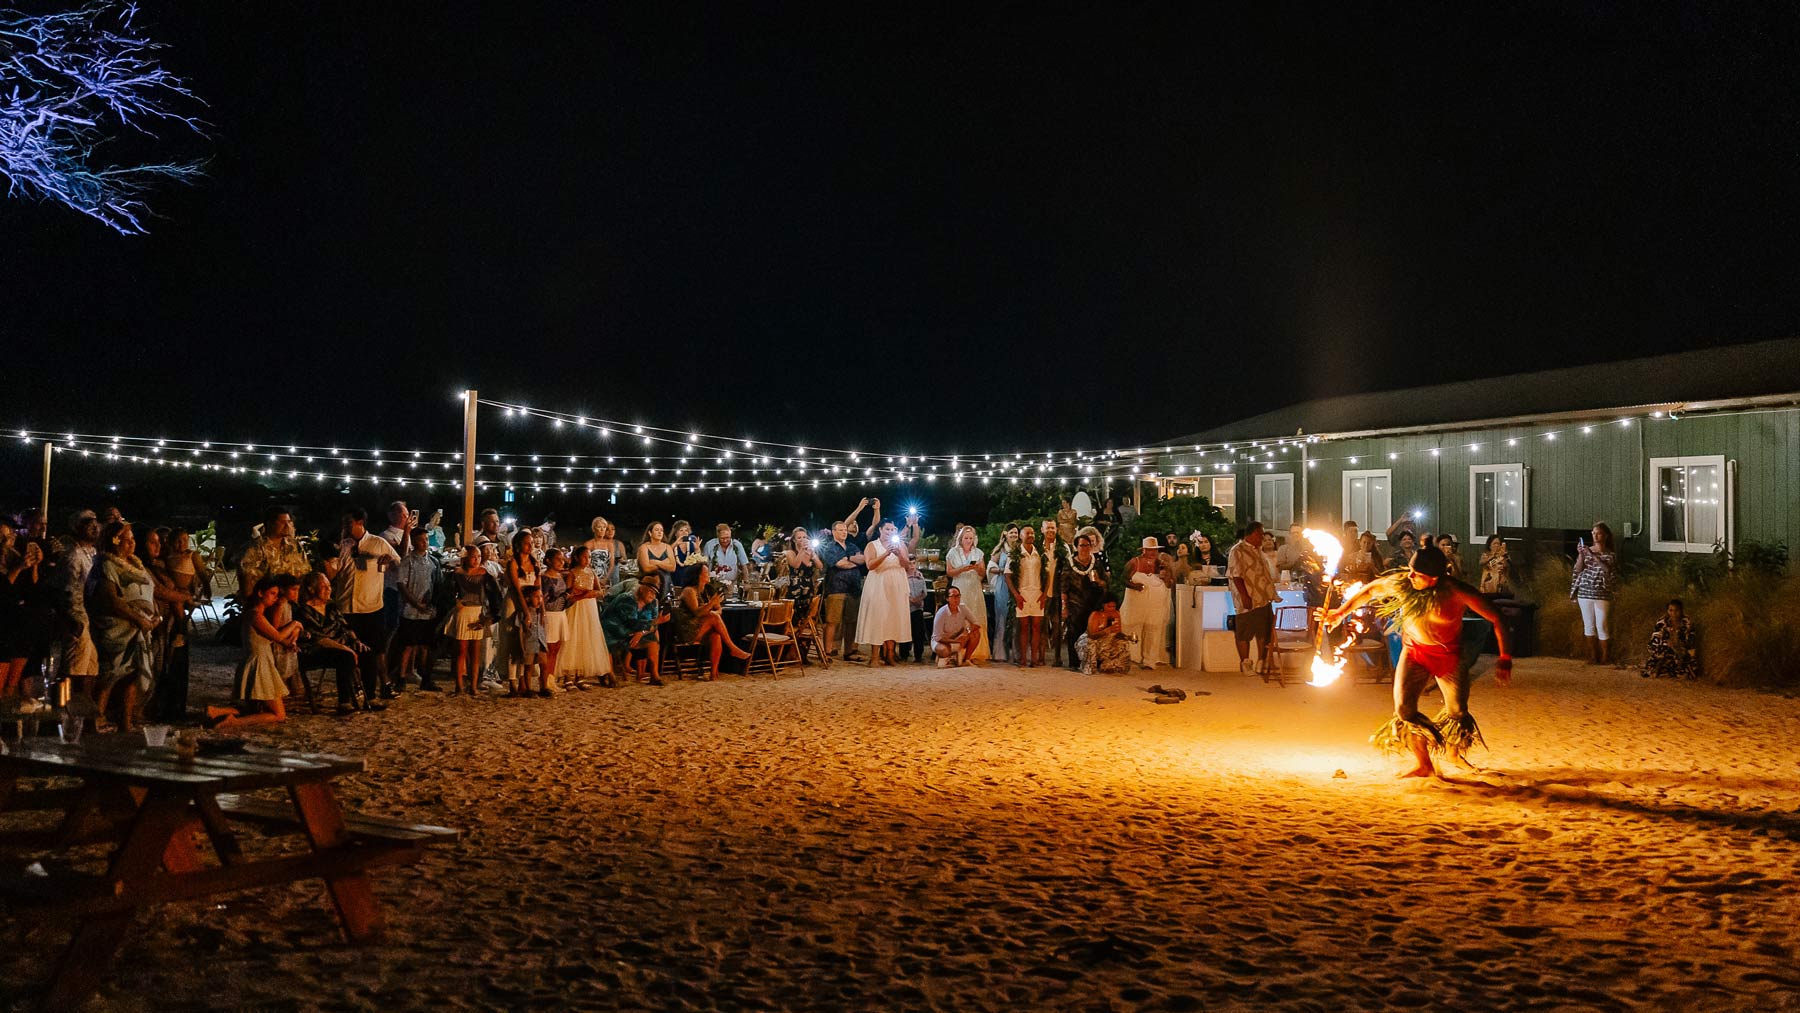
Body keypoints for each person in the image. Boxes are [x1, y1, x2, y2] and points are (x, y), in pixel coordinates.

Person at [1319, 544, 1512, 779]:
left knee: (1458, 712)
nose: (1409, 576)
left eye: (1416, 574)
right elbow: (1371, 590)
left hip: (1449, 656)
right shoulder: (1404, 583)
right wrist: (1340, 613)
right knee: (1404, 710)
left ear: (1434, 578)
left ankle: (1452, 752)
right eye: (1410, 570)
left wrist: (1504, 657)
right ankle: (1424, 764)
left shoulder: (1456, 591)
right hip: (1415, 653)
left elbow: (1497, 617)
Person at [92, 521, 158, 733]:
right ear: (115, 541)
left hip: (138, 628)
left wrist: (152, 615)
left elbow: (148, 591)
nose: (131, 544)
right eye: (126, 540)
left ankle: (126, 721)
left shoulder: (136, 564)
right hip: (118, 628)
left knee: (132, 676)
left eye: (133, 539)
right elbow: (111, 599)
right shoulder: (107, 565)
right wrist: (137, 618)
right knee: (110, 675)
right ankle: (97, 719)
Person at [333, 508, 401, 701]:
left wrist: (389, 563)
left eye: (348, 522)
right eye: (344, 523)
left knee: (374, 650)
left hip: (371, 606)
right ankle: (352, 691)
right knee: (347, 652)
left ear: (360, 522)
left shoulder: (378, 543)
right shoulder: (342, 546)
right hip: (346, 606)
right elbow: (333, 572)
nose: (345, 526)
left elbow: (398, 563)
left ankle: (377, 689)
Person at [208, 576, 293, 731]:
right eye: (272, 593)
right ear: (261, 593)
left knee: (255, 709)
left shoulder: (255, 614)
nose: (275, 598)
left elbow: (272, 634)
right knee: (279, 714)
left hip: (258, 661)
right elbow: (279, 637)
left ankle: (217, 711)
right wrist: (296, 624)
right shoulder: (255, 616)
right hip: (260, 665)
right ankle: (234, 722)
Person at [296, 571, 380, 714]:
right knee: (345, 657)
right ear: (311, 589)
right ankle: (344, 702)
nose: (329, 590)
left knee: (367, 652)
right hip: (316, 650)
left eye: (329, 586)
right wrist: (346, 649)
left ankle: (370, 698)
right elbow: (319, 638)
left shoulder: (331, 607)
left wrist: (356, 642)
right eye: (324, 587)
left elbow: (344, 626)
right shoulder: (304, 611)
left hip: (339, 645)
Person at [671, 565, 753, 680]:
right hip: (688, 629)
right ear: (698, 575)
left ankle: (713, 673)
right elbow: (697, 613)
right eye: (705, 572)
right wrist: (711, 606)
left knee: (716, 635)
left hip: (701, 626)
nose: (708, 574)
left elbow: (718, 609)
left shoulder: (707, 590)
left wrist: (714, 611)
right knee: (712, 616)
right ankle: (732, 648)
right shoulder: (689, 590)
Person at [2, 534, 56, 706]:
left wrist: (34, 566)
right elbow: (2, 590)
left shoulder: (14, 558)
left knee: (12, 684)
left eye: (8, 537)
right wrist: (17, 568)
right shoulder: (10, 565)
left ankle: (9, 725)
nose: (5, 542)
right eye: (1, 537)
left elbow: (32, 590)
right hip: (3, 628)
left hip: (17, 628)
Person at [56, 509, 101, 702]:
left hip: (89, 614)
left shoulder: (93, 553)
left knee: (90, 667)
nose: (94, 526)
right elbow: (67, 590)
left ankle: (84, 711)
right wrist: (73, 619)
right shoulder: (73, 555)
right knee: (75, 666)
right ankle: (66, 707)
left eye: (95, 522)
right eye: (87, 523)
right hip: (78, 614)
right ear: (77, 528)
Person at [854, 521, 913, 666]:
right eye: (887, 529)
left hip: (897, 583)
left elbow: (906, 565)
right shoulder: (872, 545)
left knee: (893, 617)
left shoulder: (901, 545)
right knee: (879, 616)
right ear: (880, 529)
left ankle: (890, 654)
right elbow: (870, 565)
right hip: (878, 583)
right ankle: (874, 656)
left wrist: (899, 554)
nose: (890, 531)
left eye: (893, 529)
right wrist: (886, 553)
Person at [395, 527, 442, 692]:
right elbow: (401, 584)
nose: (425, 543)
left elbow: (437, 584)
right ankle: (401, 677)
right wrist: (414, 603)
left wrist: (432, 602)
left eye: (426, 540)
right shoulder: (408, 561)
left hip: (428, 610)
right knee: (408, 644)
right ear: (414, 541)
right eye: (421, 540)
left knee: (424, 645)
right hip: (410, 609)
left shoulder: (433, 562)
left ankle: (426, 677)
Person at [558, 546, 613, 689]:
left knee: (586, 638)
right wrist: (580, 594)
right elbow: (569, 593)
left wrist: (588, 593)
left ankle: (580, 675)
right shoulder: (572, 573)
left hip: (589, 608)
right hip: (576, 608)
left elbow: (599, 591)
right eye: (584, 557)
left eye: (589, 557)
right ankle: (568, 676)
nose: (587, 560)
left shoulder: (591, 572)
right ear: (576, 558)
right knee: (573, 638)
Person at [1227, 522, 1277, 672]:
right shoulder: (1237, 551)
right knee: (1244, 631)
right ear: (1253, 534)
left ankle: (1261, 660)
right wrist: (1244, 596)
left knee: (1263, 630)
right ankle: (1245, 662)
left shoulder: (1259, 551)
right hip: (1247, 597)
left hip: (1263, 597)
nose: (1262, 538)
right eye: (1260, 534)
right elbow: (1236, 575)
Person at [818, 519, 867, 663]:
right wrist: (852, 562)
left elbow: (863, 559)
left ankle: (849, 651)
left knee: (851, 621)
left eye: (845, 530)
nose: (844, 532)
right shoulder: (829, 547)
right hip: (836, 588)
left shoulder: (852, 546)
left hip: (854, 589)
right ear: (834, 532)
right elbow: (840, 564)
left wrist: (849, 558)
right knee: (832, 621)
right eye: (840, 530)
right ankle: (827, 651)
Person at [445, 548, 493, 695]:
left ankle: (473, 686)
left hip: (478, 612)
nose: (476, 560)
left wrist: (488, 616)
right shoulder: (457, 574)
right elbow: (448, 592)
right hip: (463, 611)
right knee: (461, 650)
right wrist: (455, 601)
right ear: (466, 558)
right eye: (473, 557)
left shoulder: (484, 574)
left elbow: (493, 594)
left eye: (478, 556)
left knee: (475, 652)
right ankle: (459, 685)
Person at [1119, 536, 1172, 669]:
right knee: (1132, 627)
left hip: (1155, 604)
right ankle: (1132, 657)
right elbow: (1123, 579)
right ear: (1144, 550)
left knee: (1153, 629)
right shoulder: (1134, 562)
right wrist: (1134, 586)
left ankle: (1150, 660)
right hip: (1136, 603)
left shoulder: (1161, 564)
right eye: (1149, 549)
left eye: (1155, 549)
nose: (1153, 552)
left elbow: (1169, 583)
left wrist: (1166, 576)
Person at [1060, 532, 1109, 671]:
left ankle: (1092, 661)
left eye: (1087, 545)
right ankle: (1075, 662)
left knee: (1093, 632)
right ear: (1076, 547)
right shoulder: (1070, 564)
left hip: (1093, 603)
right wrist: (1064, 607)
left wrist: (1099, 581)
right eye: (1082, 545)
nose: (1085, 548)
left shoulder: (1096, 563)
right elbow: (1063, 587)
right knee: (1074, 633)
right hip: (1075, 603)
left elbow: (1106, 582)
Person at [603, 580, 667, 685]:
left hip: (632, 632)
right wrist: (653, 623)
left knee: (652, 639)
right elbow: (631, 622)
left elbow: (652, 625)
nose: (652, 595)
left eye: (654, 593)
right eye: (650, 591)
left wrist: (642, 632)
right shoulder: (627, 599)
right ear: (642, 589)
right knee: (608, 640)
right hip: (614, 629)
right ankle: (610, 675)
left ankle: (654, 675)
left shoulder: (652, 603)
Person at [237, 507, 312, 597]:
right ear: (270, 524)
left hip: (292, 600)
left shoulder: (294, 545)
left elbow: (305, 574)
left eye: (289, 522)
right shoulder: (256, 548)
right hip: (267, 602)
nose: (287, 526)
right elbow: (247, 580)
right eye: (282, 522)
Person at [1572, 522, 1618, 664]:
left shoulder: (1610, 554)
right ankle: (1593, 655)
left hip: (1602, 593)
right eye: (1593, 533)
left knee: (1602, 624)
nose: (1595, 535)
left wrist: (1592, 554)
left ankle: (1605, 656)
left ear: (1605, 536)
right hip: (1585, 591)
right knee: (1589, 625)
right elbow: (1578, 569)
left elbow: (1607, 569)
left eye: (1598, 533)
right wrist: (1581, 555)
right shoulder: (1586, 551)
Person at [504, 529, 542, 690]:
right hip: (515, 603)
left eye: (531, 543)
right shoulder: (513, 563)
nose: (530, 546)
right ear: (518, 545)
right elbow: (517, 589)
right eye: (527, 543)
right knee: (514, 642)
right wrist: (525, 611)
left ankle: (523, 682)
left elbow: (538, 587)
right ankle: (512, 681)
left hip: (531, 603)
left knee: (526, 643)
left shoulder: (534, 563)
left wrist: (540, 609)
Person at [1006, 525, 1048, 667]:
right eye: (1027, 533)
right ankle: (1023, 658)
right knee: (1023, 626)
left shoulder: (1040, 553)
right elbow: (1008, 575)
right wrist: (1016, 595)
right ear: (1021, 536)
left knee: (1037, 627)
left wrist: (1044, 595)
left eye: (1032, 533)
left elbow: (1047, 575)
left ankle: (1034, 658)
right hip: (1023, 593)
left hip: (1037, 593)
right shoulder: (1015, 553)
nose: (1030, 535)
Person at [945, 525, 987, 656]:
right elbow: (949, 572)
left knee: (975, 616)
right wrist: (962, 569)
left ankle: (976, 652)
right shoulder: (953, 552)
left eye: (971, 538)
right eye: (966, 538)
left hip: (974, 587)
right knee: (960, 616)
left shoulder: (978, 553)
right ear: (961, 539)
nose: (968, 540)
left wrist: (975, 568)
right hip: (960, 586)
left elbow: (983, 572)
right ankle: (957, 651)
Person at [1643, 599, 1699, 680]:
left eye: (1677, 610)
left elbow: (1691, 642)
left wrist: (1679, 645)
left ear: (1681, 610)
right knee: (1658, 660)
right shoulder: (1662, 622)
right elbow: (1655, 641)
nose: (1674, 613)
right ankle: (1660, 668)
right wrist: (1667, 644)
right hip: (1664, 651)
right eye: (1671, 610)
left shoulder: (1687, 623)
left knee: (1690, 667)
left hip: (1682, 651)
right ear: (1667, 611)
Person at [1077, 594, 1132, 675]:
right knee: (1090, 643)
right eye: (1109, 606)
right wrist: (1106, 631)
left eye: (1114, 607)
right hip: (1092, 640)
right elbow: (1091, 635)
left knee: (1123, 643)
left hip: (1107, 641)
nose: (1111, 609)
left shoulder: (1116, 614)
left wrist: (1127, 637)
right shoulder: (1095, 615)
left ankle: (1112, 665)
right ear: (1103, 605)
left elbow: (1118, 633)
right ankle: (1089, 666)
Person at [930, 586, 983, 667]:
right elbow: (938, 637)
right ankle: (950, 657)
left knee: (975, 633)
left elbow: (977, 624)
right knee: (944, 650)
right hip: (943, 640)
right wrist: (955, 641)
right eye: (953, 596)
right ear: (947, 598)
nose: (956, 599)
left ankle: (966, 659)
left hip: (959, 636)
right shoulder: (941, 613)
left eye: (958, 596)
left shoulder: (963, 607)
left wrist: (967, 632)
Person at [987, 524, 1018, 661]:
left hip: (1017, 586)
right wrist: (1003, 571)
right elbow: (990, 568)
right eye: (1011, 532)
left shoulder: (1019, 549)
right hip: (1003, 586)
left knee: (1016, 619)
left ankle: (1016, 652)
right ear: (1005, 533)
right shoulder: (1000, 550)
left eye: (1016, 533)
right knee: (1002, 617)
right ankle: (1001, 653)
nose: (1014, 535)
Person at [514, 584, 551, 698]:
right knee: (528, 666)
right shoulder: (524, 614)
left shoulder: (540, 613)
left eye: (540, 597)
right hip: (529, 643)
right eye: (536, 597)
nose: (539, 599)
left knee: (544, 665)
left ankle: (544, 687)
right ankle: (528, 688)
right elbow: (519, 629)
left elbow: (544, 626)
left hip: (540, 642)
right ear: (528, 598)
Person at [1039, 519, 1065, 666]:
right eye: (1047, 528)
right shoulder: (1038, 548)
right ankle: (1041, 656)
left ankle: (1057, 656)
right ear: (1042, 530)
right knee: (1042, 624)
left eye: (1053, 528)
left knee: (1057, 625)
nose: (1050, 530)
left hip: (1057, 591)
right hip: (1042, 592)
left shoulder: (1062, 548)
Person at [636, 521, 675, 595]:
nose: (660, 532)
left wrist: (657, 562)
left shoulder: (668, 547)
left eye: (661, 530)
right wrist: (665, 563)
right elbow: (646, 568)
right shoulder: (644, 547)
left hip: (667, 583)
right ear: (650, 533)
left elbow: (672, 567)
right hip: (650, 584)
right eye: (657, 530)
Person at [667, 520, 705, 595]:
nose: (684, 532)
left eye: (686, 530)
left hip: (690, 580)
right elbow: (665, 554)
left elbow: (700, 561)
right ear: (675, 533)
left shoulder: (692, 545)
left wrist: (697, 549)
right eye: (681, 530)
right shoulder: (671, 546)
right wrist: (675, 543)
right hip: (675, 578)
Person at [906, 562, 931, 662]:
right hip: (906, 608)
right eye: (910, 563)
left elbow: (924, 592)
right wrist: (910, 600)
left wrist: (919, 599)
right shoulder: (902, 575)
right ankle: (904, 653)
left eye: (913, 563)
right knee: (906, 631)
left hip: (918, 608)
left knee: (919, 632)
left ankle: (918, 655)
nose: (912, 565)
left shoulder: (920, 576)